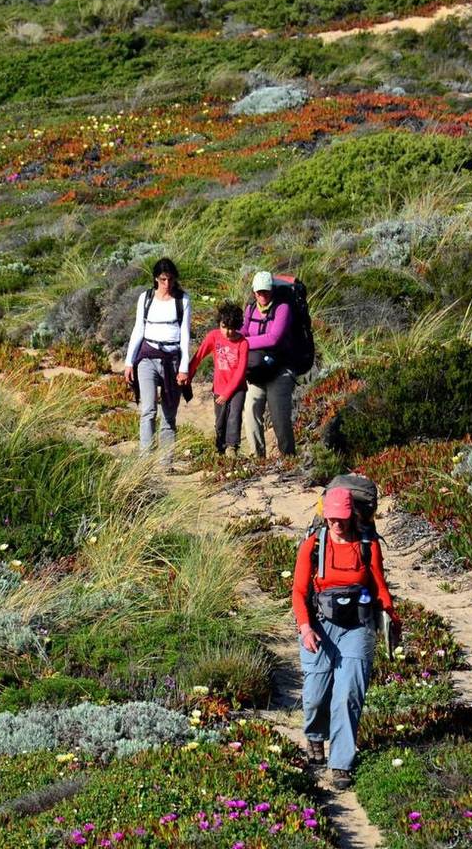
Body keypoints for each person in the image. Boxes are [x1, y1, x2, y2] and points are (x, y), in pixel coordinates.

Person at [290, 486, 401, 788]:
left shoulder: (367, 545)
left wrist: (391, 616)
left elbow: (378, 584)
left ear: (351, 514)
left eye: (342, 518)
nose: (337, 524)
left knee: (348, 694)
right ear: (324, 516)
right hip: (319, 627)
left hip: (358, 627)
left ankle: (341, 763)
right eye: (332, 518)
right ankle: (315, 737)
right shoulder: (312, 546)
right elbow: (299, 592)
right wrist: (305, 627)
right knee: (314, 695)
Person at [123, 257, 192, 461]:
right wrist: (129, 362)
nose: (167, 284)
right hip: (147, 357)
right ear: (155, 278)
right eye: (163, 279)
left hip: (172, 360)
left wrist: (184, 367)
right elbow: (138, 330)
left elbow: (186, 335)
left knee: (169, 414)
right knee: (148, 410)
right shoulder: (145, 299)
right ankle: (145, 461)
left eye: (170, 279)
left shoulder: (183, 300)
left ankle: (166, 462)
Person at [242, 271, 296, 457]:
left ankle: (288, 457)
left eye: (266, 291)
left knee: (279, 416)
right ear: (254, 292)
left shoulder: (283, 308)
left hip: (280, 369)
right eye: (259, 292)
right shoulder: (250, 309)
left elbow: (274, 338)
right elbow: (243, 331)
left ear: (272, 290)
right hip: (257, 369)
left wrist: (245, 342)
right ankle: (257, 458)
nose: (262, 296)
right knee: (250, 410)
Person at [188, 301, 249, 456]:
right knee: (220, 419)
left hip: (237, 388)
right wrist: (188, 374)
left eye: (231, 328)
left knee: (234, 416)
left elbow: (241, 372)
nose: (227, 332)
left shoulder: (243, 343)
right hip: (219, 387)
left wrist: (227, 393)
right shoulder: (213, 336)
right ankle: (220, 447)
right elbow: (198, 356)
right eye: (224, 326)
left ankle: (232, 447)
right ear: (219, 323)